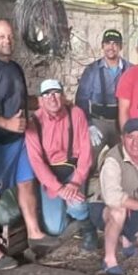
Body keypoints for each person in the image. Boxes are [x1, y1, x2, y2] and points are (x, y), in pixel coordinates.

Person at [0, 19, 58, 271]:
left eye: (9, 37)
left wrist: (48, 102)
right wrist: (6, 124)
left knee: (27, 183)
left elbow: (20, 100)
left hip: (19, 140)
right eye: (1, 37)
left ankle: (34, 234)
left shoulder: (15, 68)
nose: (7, 41)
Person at [89, 118, 138, 275]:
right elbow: (111, 197)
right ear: (122, 138)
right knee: (118, 212)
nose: (135, 142)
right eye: (130, 137)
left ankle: (125, 234)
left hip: (134, 204)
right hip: (102, 205)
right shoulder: (113, 158)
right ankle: (109, 259)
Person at [25, 79, 97, 250]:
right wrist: (59, 189)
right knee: (54, 228)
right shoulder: (33, 123)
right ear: (41, 101)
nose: (52, 98)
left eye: (56, 93)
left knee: (77, 203)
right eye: (47, 94)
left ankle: (87, 225)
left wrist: (75, 182)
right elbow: (37, 162)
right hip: (51, 176)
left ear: (63, 97)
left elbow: (86, 151)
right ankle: (71, 210)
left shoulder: (76, 114)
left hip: (72, 171)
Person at [75, 29, 131, 155]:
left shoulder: (130, 70)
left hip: (122, 122)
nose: (111, 47)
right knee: (87, 158)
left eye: (115, 44)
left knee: (124, 159)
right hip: (98, 122)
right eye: (108, 43)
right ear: (102, 46)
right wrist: (89, 125)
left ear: (121, 47)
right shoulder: (91, 70)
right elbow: (81, 100)